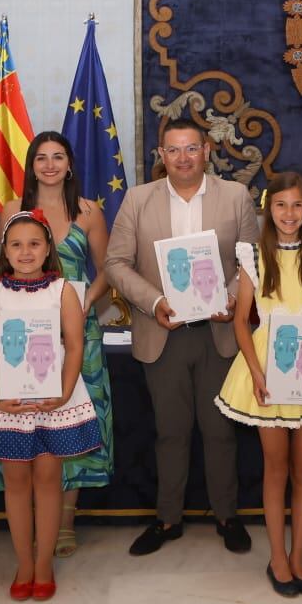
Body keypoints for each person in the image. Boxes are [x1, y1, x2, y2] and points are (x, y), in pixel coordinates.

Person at [105, 118, 260, 556]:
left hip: (220, 331)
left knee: (221, 431)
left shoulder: (236, 196)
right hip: (164, 331)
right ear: (161, 154)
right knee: (170, 432)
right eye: (173, 150)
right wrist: (154, 302)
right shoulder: (138, 199)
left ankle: (227, 515)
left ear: (207, 150)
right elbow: (116, 263)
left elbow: (251, 260)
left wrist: (231, 299)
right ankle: (167, 518)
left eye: (191, 148)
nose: (183, 158)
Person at [215, 173, 302, 596]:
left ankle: (299, 556)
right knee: (275, 468)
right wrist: (257, 373)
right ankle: (277, 557)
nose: (289, 214)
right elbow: (242, 322)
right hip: (267, 369)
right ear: (269, 210)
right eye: (281, 206)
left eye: (297, 206)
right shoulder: (255, 258)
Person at [0, 211, 102, 601]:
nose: (25, 252)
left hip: (53, 399)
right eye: (16, 245)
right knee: (16, 482)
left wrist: (62, 392)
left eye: (34, 244)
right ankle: (23, 562)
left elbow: (75, 346)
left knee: (47, 480)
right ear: (5, 252)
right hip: (6, 401)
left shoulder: (63, 291)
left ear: (47, 250)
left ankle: (43, 564)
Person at [17, 130, 114, 558]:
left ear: (70, 164)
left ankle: (66, 521)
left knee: (72, 423)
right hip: (25, 338)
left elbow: (108, 269)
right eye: (42, 158)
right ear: (32, 165)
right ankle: (35, 517)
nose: (50, 165)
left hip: (81, 336)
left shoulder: (89, 212)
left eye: (58, 157)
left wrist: (84, 304)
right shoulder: (14, 209)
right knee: (34, 424)